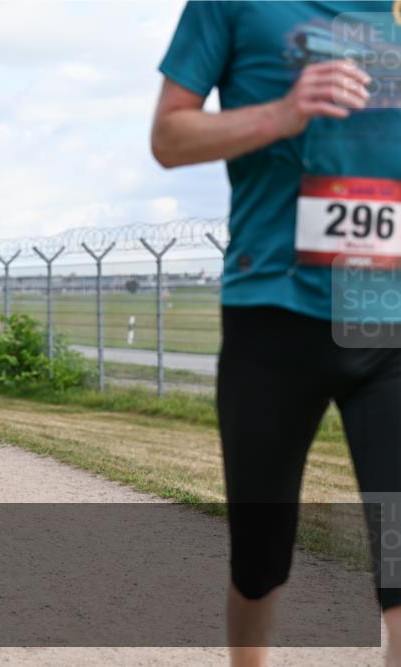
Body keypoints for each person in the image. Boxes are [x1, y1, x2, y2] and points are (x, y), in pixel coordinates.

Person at [153, 3, 400, 665]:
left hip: (387, 316)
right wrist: (284, 113)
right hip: (274, 309)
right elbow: (169, 138)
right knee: (259, 559)